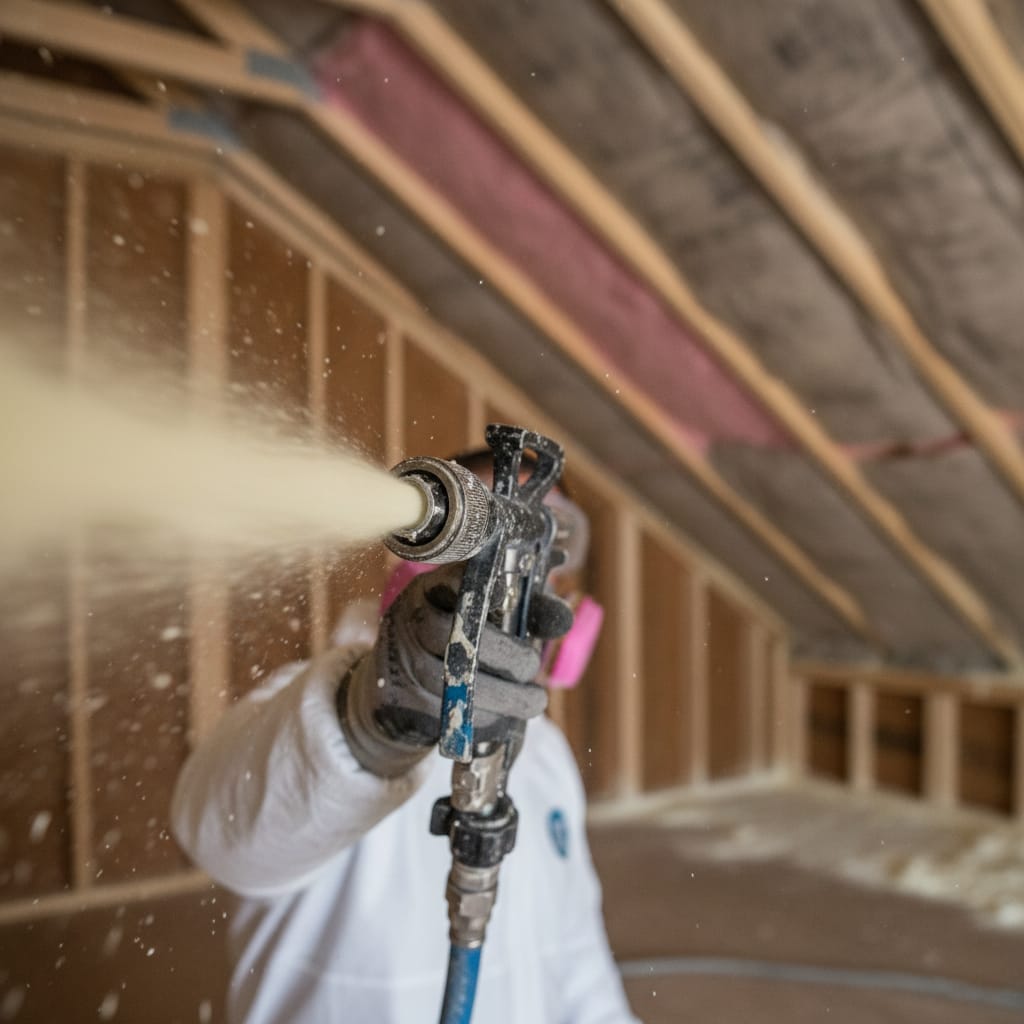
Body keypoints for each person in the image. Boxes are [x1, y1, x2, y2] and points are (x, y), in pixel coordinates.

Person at [171, 450, 641, 1023]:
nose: (508, 578)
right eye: (478, 541)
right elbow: (224, 838)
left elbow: (580, 965)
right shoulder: (310, 710)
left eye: (541, 554)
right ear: (416, 557)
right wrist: (374, 722)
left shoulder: (545, 752)